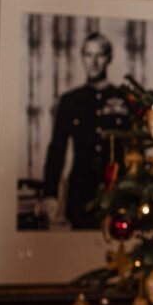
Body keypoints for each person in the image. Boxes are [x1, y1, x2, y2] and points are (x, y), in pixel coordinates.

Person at [41, 31, 125, 229]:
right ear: (82, 58)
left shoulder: (123, 99)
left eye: (100, 55)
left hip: (119, 189)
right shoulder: (70, 101)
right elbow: (57, 148)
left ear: (109, 58)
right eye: (88, 55)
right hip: (81, 191)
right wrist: (50, 193)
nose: (93, 62)